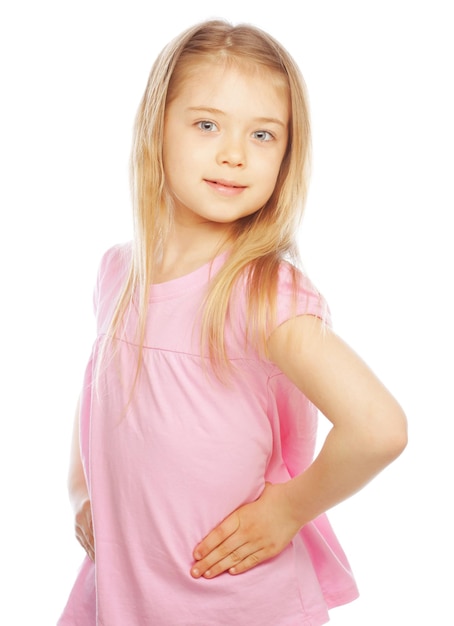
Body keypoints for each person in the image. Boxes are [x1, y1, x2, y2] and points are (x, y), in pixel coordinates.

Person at [57, 19, 407, 626]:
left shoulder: (261, 292)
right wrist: (81, 489)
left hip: (234, 602)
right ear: (155, 126)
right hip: (123, 595)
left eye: (264, 134)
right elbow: (99, 391)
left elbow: (379, 427)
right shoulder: (118, 271)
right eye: (207, 124)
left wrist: (287, 511)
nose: (234, 153)